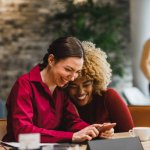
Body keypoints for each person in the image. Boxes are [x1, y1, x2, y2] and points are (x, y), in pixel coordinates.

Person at [3, 36, 115, 143]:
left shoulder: (61, 89)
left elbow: (72, 121)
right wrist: (71, 136)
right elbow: (23, 133)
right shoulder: (24, 85)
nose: (72, 78)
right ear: (51, 60)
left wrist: (94, 130)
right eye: (68, 69)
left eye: (77, 72)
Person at [67, 41, 134, 132]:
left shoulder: (108, 97)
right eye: (73, 86)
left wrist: (110, 134)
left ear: (95, 81)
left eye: (86, 84)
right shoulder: (62, 101)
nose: (80, 92)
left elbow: (129, 133)